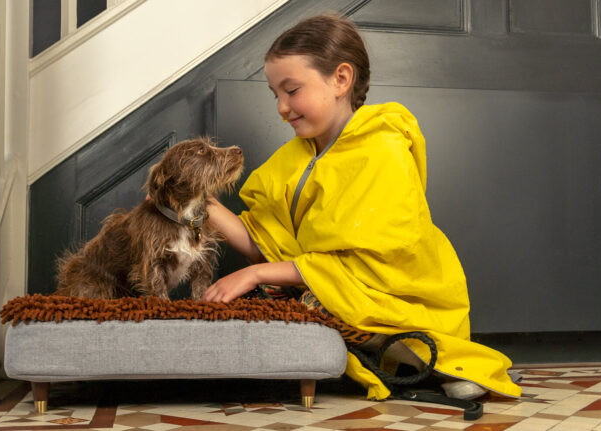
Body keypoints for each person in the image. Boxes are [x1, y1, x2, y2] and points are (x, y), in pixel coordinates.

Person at [202, 14, 521, 401]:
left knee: (299, 295)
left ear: (340, 79)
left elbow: (371, 261)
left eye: (292, 90)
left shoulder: (382, 151)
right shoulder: (293, 160)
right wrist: (198, 205)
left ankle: (429, 359)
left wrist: (255, 274)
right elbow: (266, 243)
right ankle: (380, 355)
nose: (282, 108)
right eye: (275, 95)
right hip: (328, 286)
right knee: (276, 293)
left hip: (399, 293)